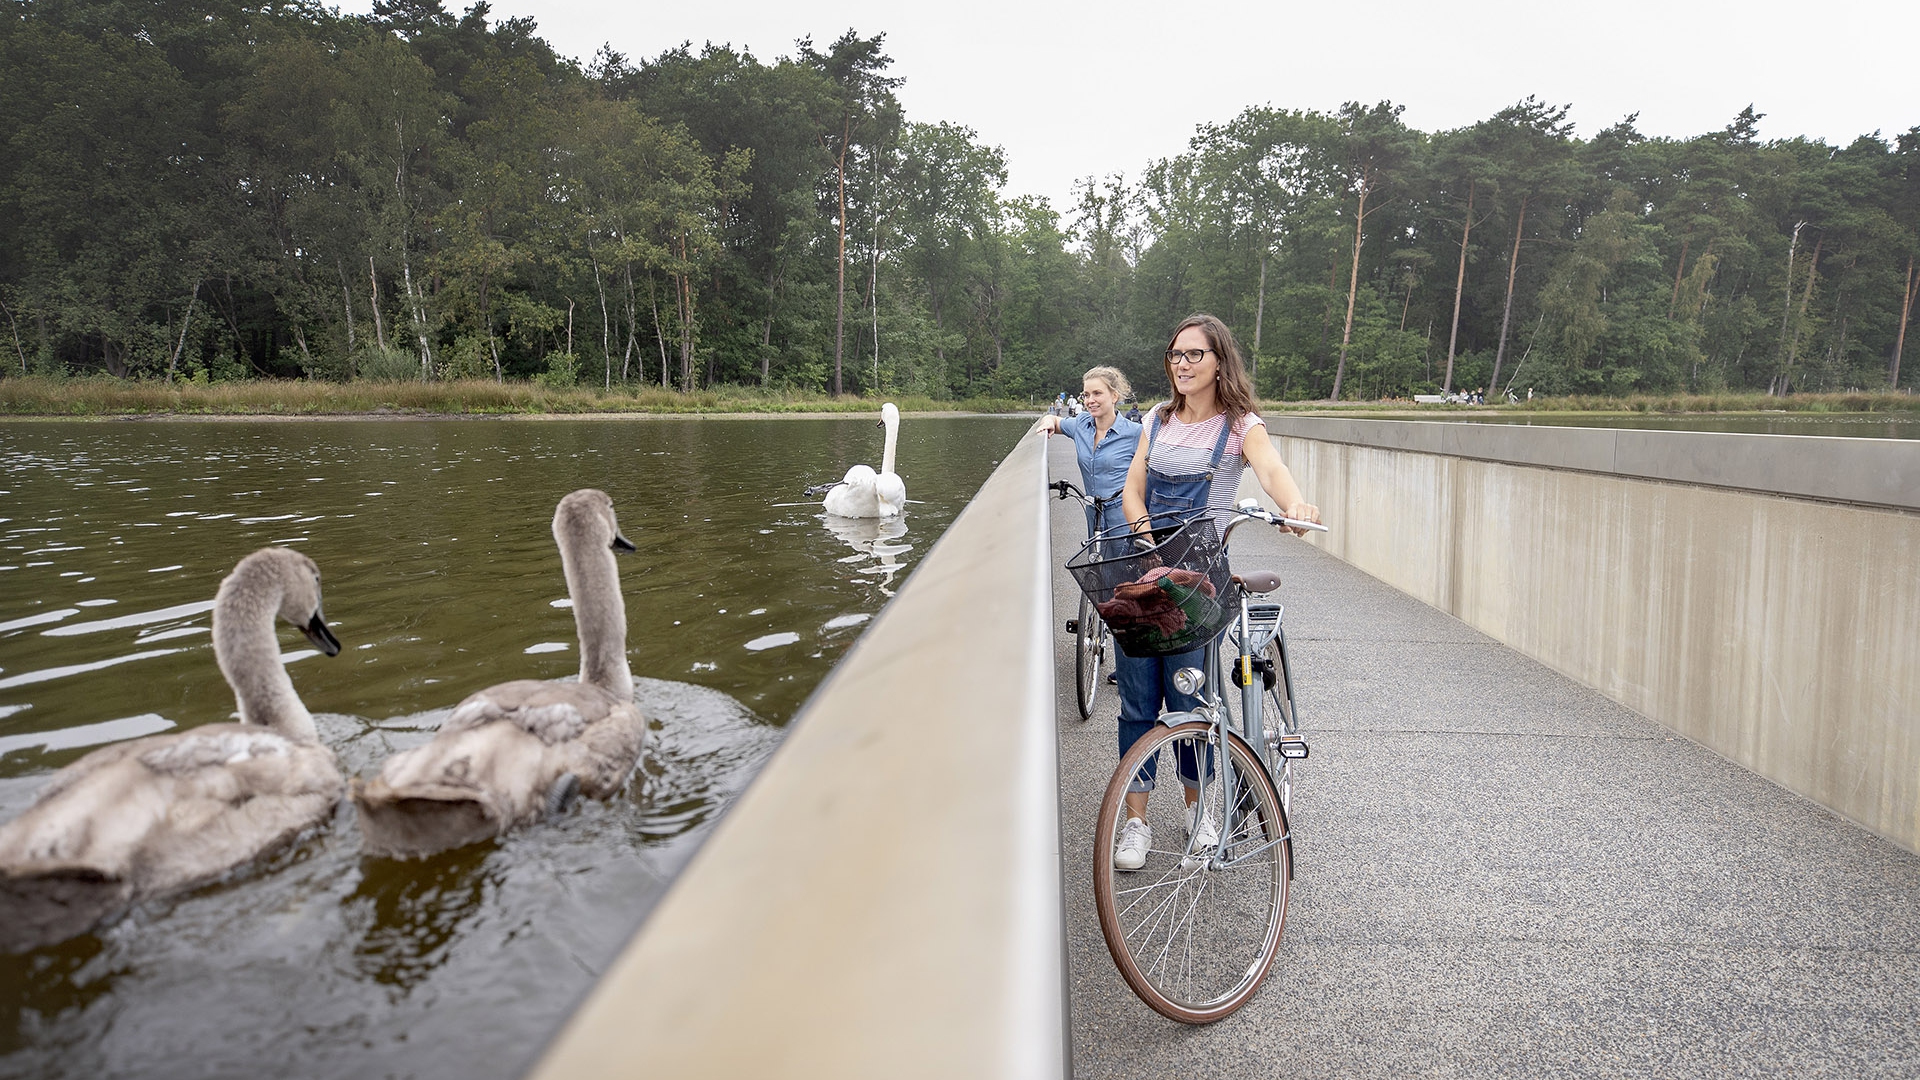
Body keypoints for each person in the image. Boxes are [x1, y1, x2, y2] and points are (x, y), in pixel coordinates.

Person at [1109, 313, 1319, 871]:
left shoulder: (1239, 425)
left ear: (1219, 361)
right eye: (1175, 355)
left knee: (1189, 696)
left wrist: (1294, 504)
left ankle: (1200, 812)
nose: (1181, 364)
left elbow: (1271, 469)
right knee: (1136, 698)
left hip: (1199, 578)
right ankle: (1135, 822)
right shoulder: (1155, 420)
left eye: (1193, 355)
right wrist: (1145, 538)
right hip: (1144, 569)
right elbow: (1134, 490)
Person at [1040, 366, 1141, 538]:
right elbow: (1055, 421)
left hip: (1124, 519)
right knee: (1096, 561)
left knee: (1123, 563)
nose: (1090, 400)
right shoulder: (1081, 424)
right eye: (1086, 395)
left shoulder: (1135, 433)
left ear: (1114, 396)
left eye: (1097, 393)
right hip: (1093, 514)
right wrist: (1047, 421)